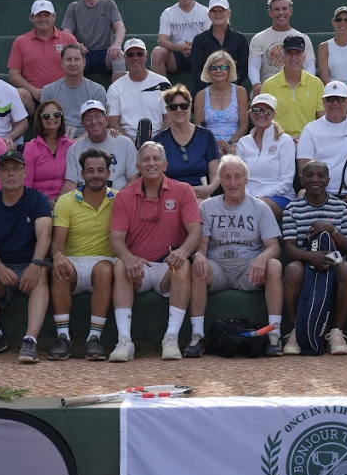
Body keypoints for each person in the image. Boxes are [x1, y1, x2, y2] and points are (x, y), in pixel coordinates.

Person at [107, 142, 202, 362]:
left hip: (166, 267)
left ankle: (171, 338)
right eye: (146, 160)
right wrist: (128, 257)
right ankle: (124, 341)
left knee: (183, 264)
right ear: (138, 165)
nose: (151, 163)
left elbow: (195, 231)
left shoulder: (183, 190)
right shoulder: (124, 195)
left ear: (165, 164)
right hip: (137, 268)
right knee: (121, 264)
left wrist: (182, 251)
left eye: (156, 159)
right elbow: (116, 238)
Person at [188, 155, 284, 358]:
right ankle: (197, 335)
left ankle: (274, 334)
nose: (232, 183)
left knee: (274, 265)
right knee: (197, 267)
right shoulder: (207, 206)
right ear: (220, 181)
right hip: (218, 268)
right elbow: (202, 245)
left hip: (248, 269)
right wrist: (199, 256)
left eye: (237, 177)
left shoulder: (260, 207)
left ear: (246, 180)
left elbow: (273, 247)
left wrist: (262, 258)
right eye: (227, 177)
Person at [0, 150, 52, 363]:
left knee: (42, 272)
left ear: (25, 172)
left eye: (15, 169)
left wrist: (35, 264)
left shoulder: (38, 199)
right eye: (5, 169)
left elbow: (44, 235)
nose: (10, 174)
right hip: (2, 268)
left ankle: (30, 340)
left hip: (30, 263)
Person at [281, 160, 347, 356]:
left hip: (334, 259)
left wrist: (330, 229)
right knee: (291, 269)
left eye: (320, 175)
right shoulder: (292, 208)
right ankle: (297, 331)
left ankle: (337, 333)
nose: (315, 179)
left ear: (328, 180)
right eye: (309, 175)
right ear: (302, 180)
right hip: (305, 260)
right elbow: (289, 248)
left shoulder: (340, 207)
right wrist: (311, 257)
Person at [50, 148, 117, 361]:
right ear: (82, 174)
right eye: (90, 170)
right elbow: (57, 245)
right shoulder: (66, 201)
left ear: (108, 173)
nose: (95, 175)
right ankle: (63, 338)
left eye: (100, 170)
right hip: (74, 263)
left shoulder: (120, 200)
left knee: (104, 269)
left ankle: (94, 339)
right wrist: (59, 256)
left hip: (106, 262)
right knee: (59, 269)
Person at [297, 81, 347, 200]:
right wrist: (320, 193)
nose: (335, 103)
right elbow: (304, 168)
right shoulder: (310, 129)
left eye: (340, 99)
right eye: (330, 99)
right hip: (320, 196)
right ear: (323, 102)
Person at [6, 0, 78, 115]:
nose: (43, 19)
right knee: (19, 94)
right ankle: (17, 133)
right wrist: (33, 90)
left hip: (64, 95)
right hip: (34, 98)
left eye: (47, 15)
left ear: (54, 17)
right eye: (38, 15)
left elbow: (78, 68)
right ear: (31, 18)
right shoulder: (20, 41)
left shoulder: (69, 39)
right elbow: (13, 74)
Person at [236, 93, 296, 219]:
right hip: (247, 197)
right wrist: (248, 197)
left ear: (273, 114)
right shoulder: (243, 142)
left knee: (258, 207)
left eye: (267, 111)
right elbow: (239, 177)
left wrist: (257, 197)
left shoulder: (285, 141)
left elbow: (286, 181)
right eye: (256, 110)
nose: (261, 114)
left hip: (279, 197)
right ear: (251, 113)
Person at [155, 85, 220, 198]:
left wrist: (209, 189)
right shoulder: (160, 140)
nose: (179, 110)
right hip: (171, 197)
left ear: (190, 107)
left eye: (183, 106)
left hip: (201, 196)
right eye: (173, 107)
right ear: (167, 110)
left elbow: (216, 174)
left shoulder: (205, 136)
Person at [60, 0, 126, 79]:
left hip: (105, 53)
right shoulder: (74, 7)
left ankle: (117, 94)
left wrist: (117, 45)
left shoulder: (108, 3)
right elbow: (66, 32)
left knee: (119, 57)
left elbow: (120, 26)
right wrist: (76, 44)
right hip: (83, 52)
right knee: (69, 59)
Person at [63, 100, 139, 193]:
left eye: (98, 117)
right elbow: (70, 184)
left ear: (106, 120)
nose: (94, 122)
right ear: (83, 124)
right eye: (88, 118)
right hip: (85, 201)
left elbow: (134, 180)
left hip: (120, 200)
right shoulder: (74, 149)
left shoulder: (125, 144)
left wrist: (118, 200)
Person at [261, 34, 325, 141]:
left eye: (298, 53)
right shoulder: (268, 85)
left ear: (304, 56)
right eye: (289, 53)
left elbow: (323, 119)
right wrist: (285, 140)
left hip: (309, 140)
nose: (293, 58)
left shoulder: (316, 84)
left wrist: (305, 138)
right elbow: (263, 121)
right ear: (282, 56)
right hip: (277, 140)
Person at [248, 0, 316, 93]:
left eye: (284, 9)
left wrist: (307, 85)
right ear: (270, 12)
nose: (281, 13)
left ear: (291, 11)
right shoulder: (259, 38)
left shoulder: (303, 38)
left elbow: (309, 66)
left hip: (295, 91)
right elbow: (253, 66)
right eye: (276, 9)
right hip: (267, 91)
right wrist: (256, 83)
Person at [38, 44, 108, 138]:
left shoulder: (98, 90)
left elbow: (99, 124)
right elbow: (47, 124)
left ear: (84, 62)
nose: (72, 63)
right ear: (61, 63)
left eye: (77, 59)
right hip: (57, 140)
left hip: (89, 139)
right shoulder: (48, 91)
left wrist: (77, 142)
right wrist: (65, 143)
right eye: (68, 59)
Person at [107, 38, 171, 140]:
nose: (135, 57)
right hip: (126, 143)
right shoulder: (115, 88)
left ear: (146, 55)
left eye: (139, 54)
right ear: (125, 58)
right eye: (130, 54)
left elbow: (169, 118)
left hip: (158, 142)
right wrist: (131, 144)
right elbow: (112, 123)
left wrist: (156, 143)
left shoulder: (162, 83)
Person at [151, 0, 210, 78]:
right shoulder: (168, 13)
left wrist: (195, 47)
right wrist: (178, 47)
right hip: (177, 55)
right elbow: (162, 40)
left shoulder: (205, 12)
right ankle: (160, 91)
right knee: (157, 52)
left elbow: (210, 39)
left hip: (200, 55)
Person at [194, 50, 249, 156]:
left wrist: (229, 143)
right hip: (210, 142)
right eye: (214, 68)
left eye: (223, 67)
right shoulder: (201, 95)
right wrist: (213, 143)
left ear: (229, 70)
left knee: (233, 151)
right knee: (215, 152)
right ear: (208, 71)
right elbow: (199, 128)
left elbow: (244, 126)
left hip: (235, 142)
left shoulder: (240, 92)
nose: (218, 71)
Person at [190, 0, 249, 89]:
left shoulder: (240, 39)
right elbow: (196, 71)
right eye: (214, 10)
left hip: (233, 90)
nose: (218, 13)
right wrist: (211, 89)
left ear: (228, 13)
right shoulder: (199, 40)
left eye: (221, 10)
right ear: (209, 14)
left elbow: (243, 69)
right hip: (204, 90)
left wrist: (228, 87)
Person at [24, 100, 73, 204]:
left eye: (56, 114)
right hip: (37, 203)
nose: (52, 118)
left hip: (64, 203)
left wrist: (59, 202)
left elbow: (72, 182)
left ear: (61, 117)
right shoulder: (30, 148)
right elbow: (26, 185)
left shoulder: (70, 146)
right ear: (40, 120)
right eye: (46, 116)